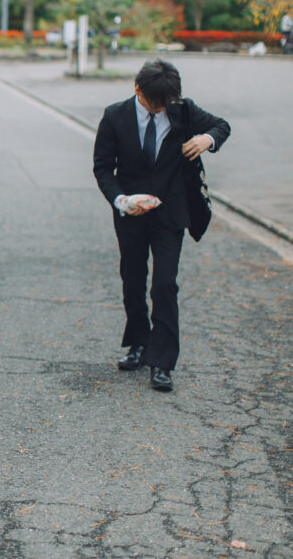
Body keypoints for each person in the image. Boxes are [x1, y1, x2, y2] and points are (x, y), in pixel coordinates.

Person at [92, 59, 230, 392]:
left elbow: (221, 126)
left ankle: (162, 363)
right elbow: (102, 169)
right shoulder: (115, 116)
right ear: (137, 89)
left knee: (165, 284)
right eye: (155, 103)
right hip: (131, 213)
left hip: (171, 213)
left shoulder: (181, 110)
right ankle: (138, 344)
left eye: (165, 103)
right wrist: (123, 201)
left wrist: (205, 140)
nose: (160, 109)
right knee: (133, 280)